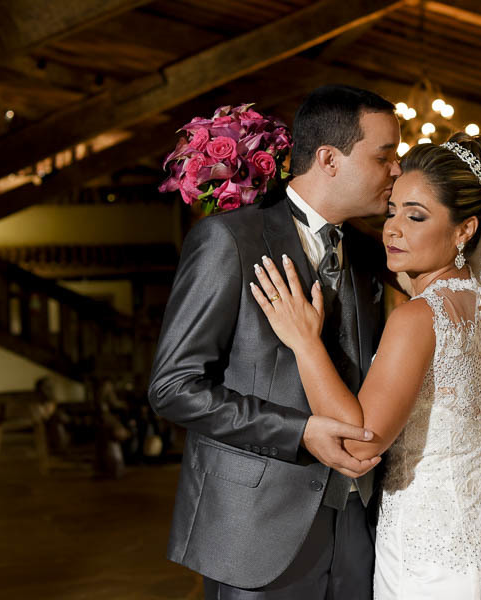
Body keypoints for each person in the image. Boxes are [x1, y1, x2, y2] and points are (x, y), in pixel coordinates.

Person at [250, 132, 481, 599]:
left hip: (433, 559)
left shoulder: (418, 318)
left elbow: (360, 444)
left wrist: (305, 343)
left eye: (416, 215)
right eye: (391, 211)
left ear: (465, 230)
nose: (392, 229)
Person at [147, 84, 401, 599]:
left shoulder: (373, 253)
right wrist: (299, 431)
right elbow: (173, 387)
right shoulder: (229, 241)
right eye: (384, 156)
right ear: (329, 159)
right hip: (255, 529)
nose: (396, 171)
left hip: (360, 528)